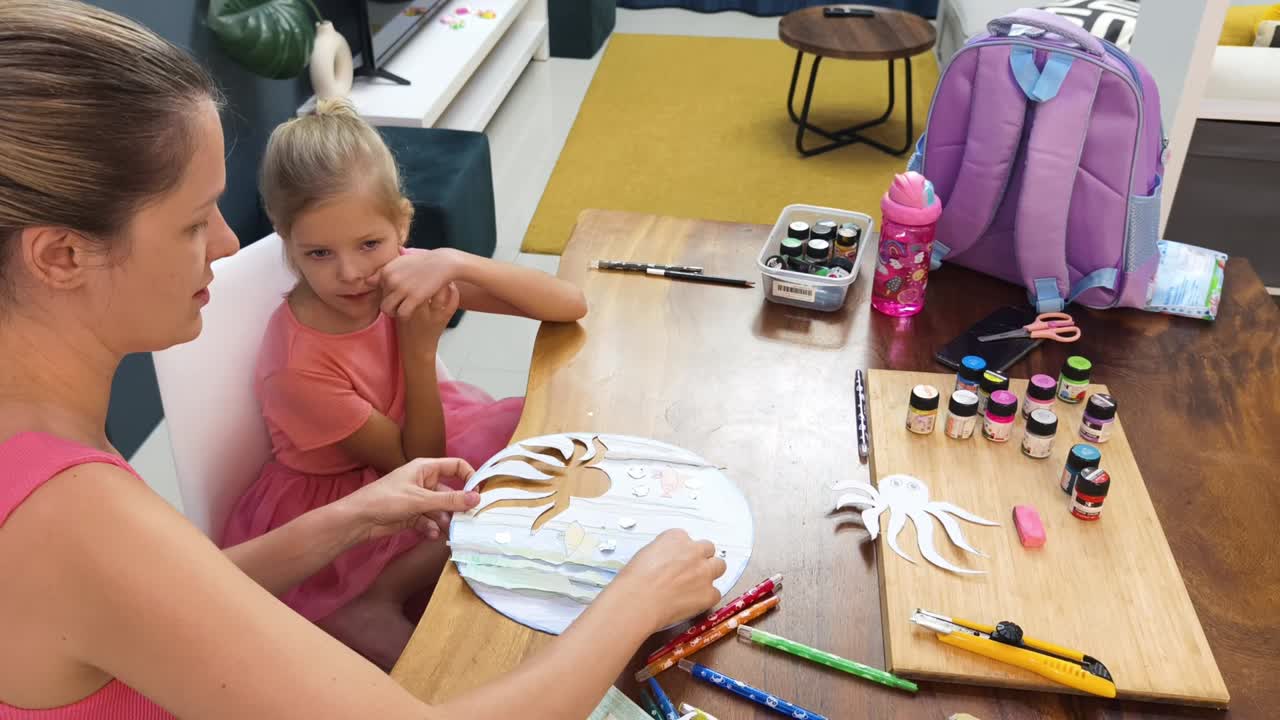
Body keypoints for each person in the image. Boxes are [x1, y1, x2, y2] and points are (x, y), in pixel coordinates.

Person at [0, 2, 725, 718]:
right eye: (195, 221)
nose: (226, 246)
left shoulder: (47, 456)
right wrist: (637, 598)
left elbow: (156, 596)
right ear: (62, 256)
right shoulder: (72, 517)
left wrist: (353, 515)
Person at [220, 98, 588, 669]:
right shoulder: (296, 365)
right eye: (318, 253)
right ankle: (372, 597)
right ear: (287, 244)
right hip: (354, 489)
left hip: (423, 428)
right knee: (496, 502)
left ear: (402, 226)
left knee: (553, 452)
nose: (351, 273)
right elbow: (416, 467)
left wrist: (454, 263)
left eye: (369, 244)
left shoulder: (403, 268)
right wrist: (419, 348)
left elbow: (568, 304)